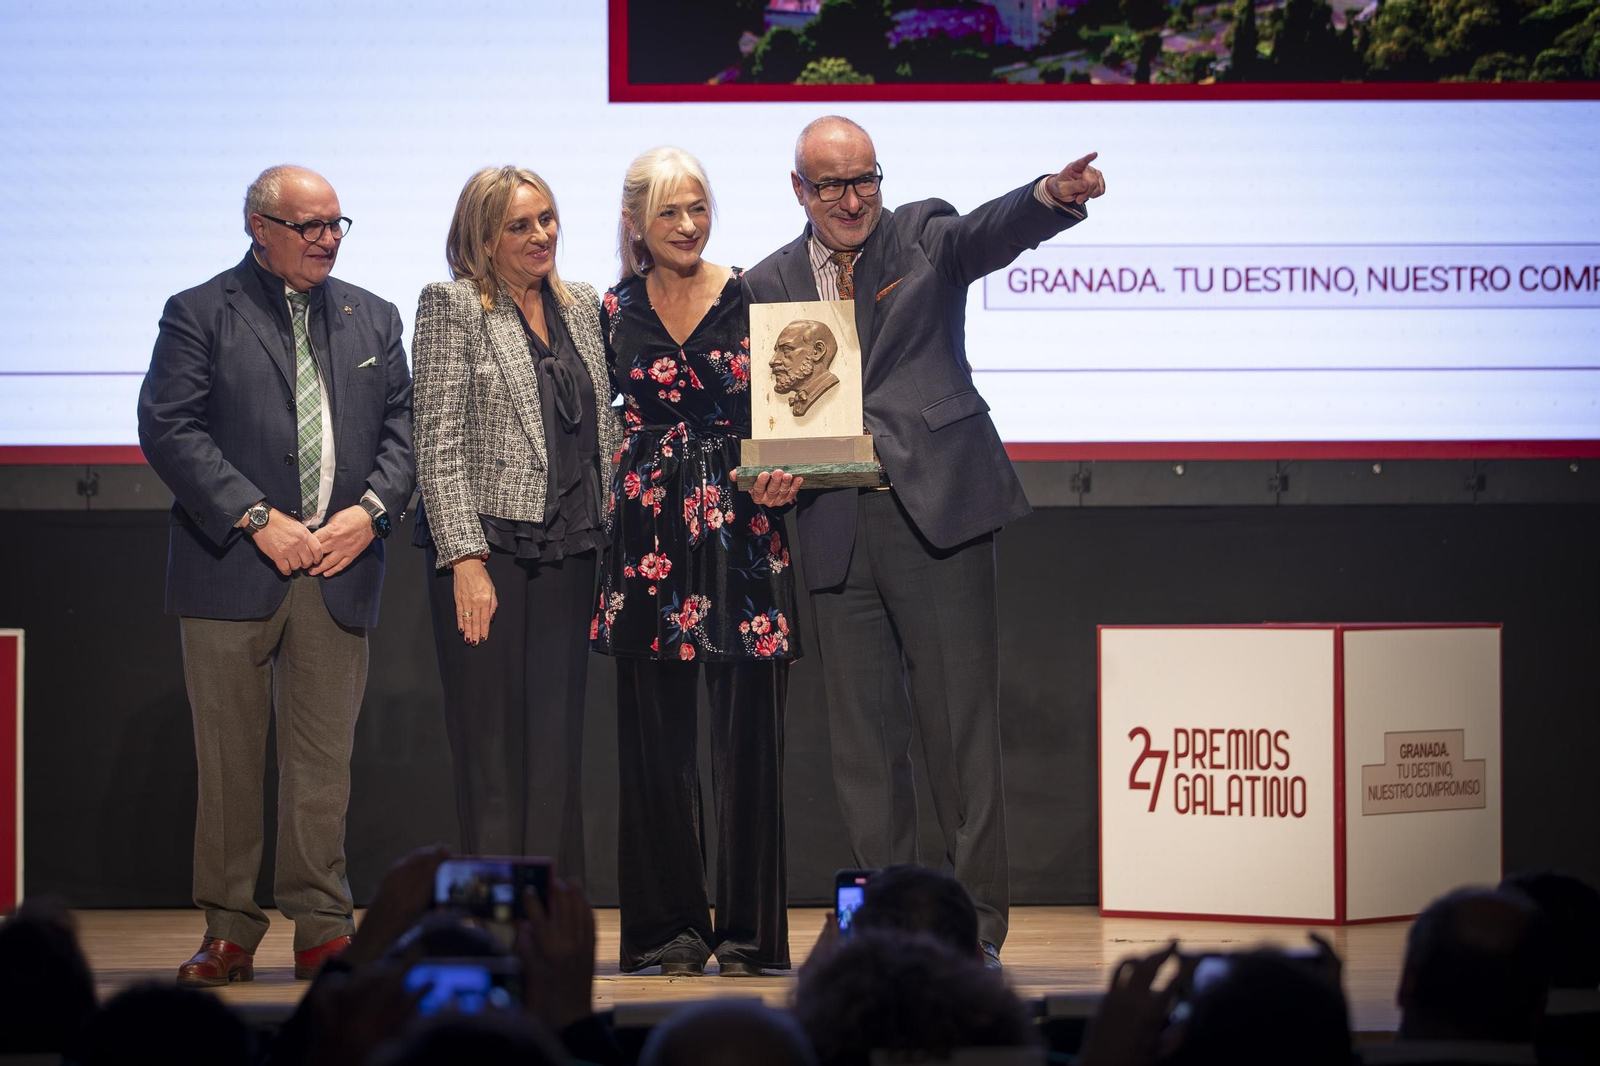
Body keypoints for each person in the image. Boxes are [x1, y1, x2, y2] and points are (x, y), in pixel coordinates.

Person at [743, 115, 1106, 963]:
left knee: (960, 736)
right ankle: (887, 924)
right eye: (830, 184)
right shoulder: (766, 282)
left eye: (864, 179)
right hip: (833, 529)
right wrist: (766, 474)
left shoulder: (921, 234)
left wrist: (1049, 197)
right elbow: (765, 408)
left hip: (934, 511)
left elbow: (989, 233)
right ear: (800, 190)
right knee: (865, 751)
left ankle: (973, 925)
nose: (851, 198)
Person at [137, 164, 414, 985]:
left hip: (338, 566)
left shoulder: (374, 315)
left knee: (323, 767)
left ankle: (323, 928)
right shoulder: (198, 312)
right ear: (260, 227)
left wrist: (370, 512)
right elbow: (169, 427)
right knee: (227, 764)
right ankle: (229, 930)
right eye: (310, 226)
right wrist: (257, 518)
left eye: (337, 224)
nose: (328, 239)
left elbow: (403, 431)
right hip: (230, 568)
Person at [591, 146, 804, 977]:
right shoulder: (609, 309)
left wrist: (794, 472)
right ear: (638, 223)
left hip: (745, 527)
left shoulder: (755, 294)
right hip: (645, 536)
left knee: (750, 742)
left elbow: (797, 402)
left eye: (699, 208)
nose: (687, 226)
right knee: (652, 745)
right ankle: (664, 933)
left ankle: (750, 936)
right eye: (669, 212)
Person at [411, 167, 622, 867]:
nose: (542, 235)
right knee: (491, 751)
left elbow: (606, 433)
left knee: (555, 748)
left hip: (571, 549)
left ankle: (547, 917)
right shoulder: (452, 306)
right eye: (520, 225)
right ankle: (492, 923)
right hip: (489, 554)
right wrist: (464, 561)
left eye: (548, 219)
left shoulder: (584, 305)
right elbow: (435, 444)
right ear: (482, 237)